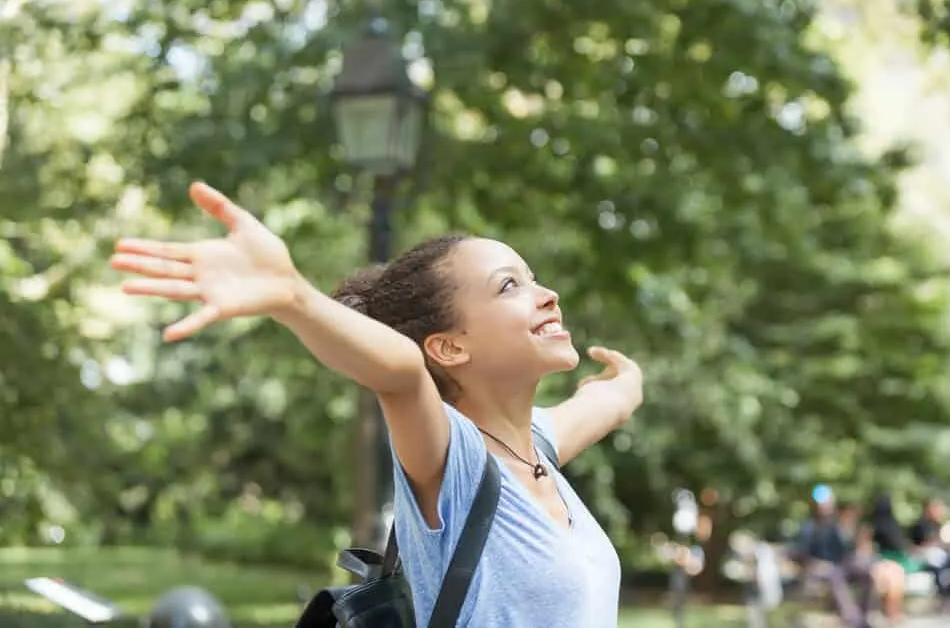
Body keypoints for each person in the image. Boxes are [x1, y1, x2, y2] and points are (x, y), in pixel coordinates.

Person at [110, 182, 644, 628]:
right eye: (509, 286)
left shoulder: (534, 450)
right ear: (449, 347)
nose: (546, 294)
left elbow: (608, 402)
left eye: (533, 278)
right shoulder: (454, 461)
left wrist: (625, 384)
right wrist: (292, 296)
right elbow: (403, 373)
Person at [791, 493, 874, 628]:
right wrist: (814, 563)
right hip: (819, 568)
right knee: (834, 575)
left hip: (840, 565)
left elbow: (845, 550)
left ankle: (862, 616)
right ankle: (854, 621)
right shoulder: (808, 527)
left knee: (866, 574)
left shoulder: (836, 525)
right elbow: (801, 552)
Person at [910, 497, 950, 611]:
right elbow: (916, 547)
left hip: (945, 555)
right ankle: (945, 599)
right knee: (939, 570)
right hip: (928, 558)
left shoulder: (939, 524)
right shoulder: (920, 526)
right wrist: (937, 541)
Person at [867, 495, 918, 624]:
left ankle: (892, 613)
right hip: (893, 563)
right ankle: (893, 613)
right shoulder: (892, 525)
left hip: (888, 562)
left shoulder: (876, 526)